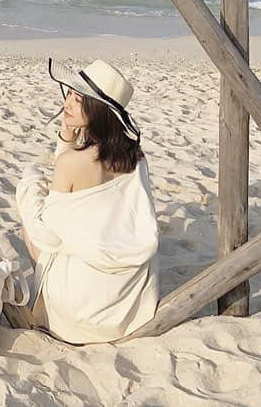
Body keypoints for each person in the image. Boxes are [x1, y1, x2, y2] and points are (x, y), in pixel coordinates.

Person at [15, 59, 160, 344]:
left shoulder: (72, 162)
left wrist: (28, 187)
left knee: (30, 205)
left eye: (78, 99)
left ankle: (46, 305)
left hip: (80, 308)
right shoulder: (135, 157)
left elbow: (48, 235)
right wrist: (67, 137)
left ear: (98, 111)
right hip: (127, 301)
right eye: (69, 93)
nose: (67, 103)